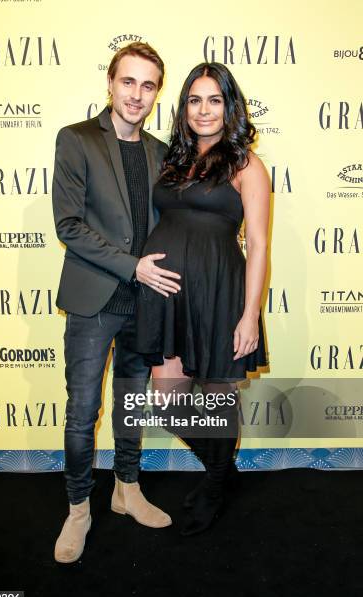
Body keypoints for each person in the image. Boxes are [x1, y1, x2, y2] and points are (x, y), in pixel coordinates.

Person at [52, 42, 182, 564]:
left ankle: (126, 489)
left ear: (156, 93)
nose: (137, 94)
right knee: (83, 411)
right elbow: (69, 225)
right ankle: (79, 509)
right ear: (110, 83)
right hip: (93, 299)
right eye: (128, 82)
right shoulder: (76, 140)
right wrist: (132, 267)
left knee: (131, 404)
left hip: (144, 303)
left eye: (148, 85)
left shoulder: (158, 152)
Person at [133, 62, 270, 535]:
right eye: (195, 100)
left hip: (219, 295)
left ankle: (213, 484)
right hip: (167, 296)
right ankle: (222, 470)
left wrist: (249, 315)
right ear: (184, 107)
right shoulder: (173, 160)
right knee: (169, 401)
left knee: (215, 399)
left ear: (229, 107)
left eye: (214, 100)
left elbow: (258, 244)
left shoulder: (247, 165)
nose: (204, 110)